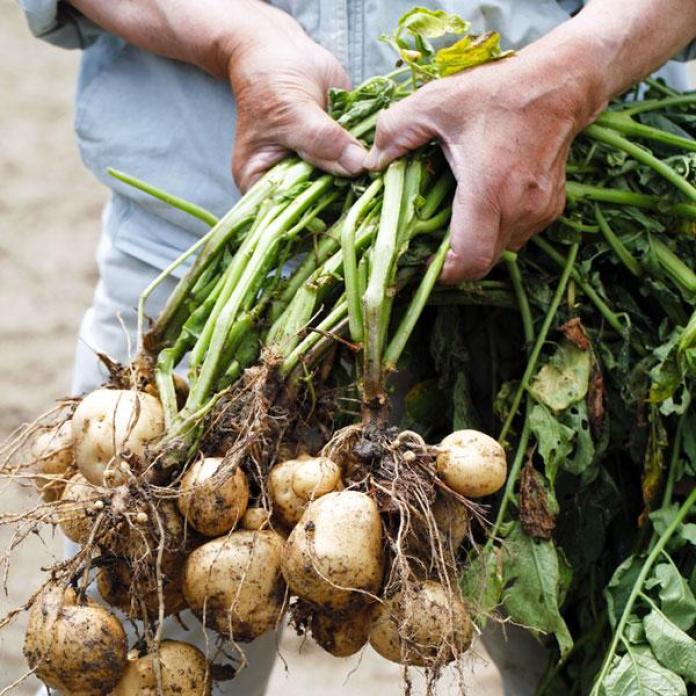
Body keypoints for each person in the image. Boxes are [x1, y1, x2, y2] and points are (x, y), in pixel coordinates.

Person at [19, 1, 696, 694]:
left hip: (542, 254)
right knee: (126, 624)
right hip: (202, 272)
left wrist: (571, 75)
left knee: (591, 658)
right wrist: (231, 33)